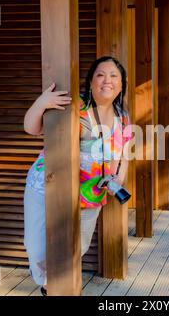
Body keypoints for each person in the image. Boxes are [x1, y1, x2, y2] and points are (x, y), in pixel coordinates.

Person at [23, 56, 132, 295]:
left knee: (77, 247)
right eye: (100, 75)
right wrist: (42, 102)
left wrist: (119, 177)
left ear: (122, 84)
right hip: (47, 186)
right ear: (91, 81)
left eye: (114, 76)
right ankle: (47, 285)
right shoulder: (75, 106)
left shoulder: (123, 117)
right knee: (37, 249)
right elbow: (32, 127)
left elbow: (124, 153)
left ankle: (56, 288)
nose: (107, 80)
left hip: (91, 191)